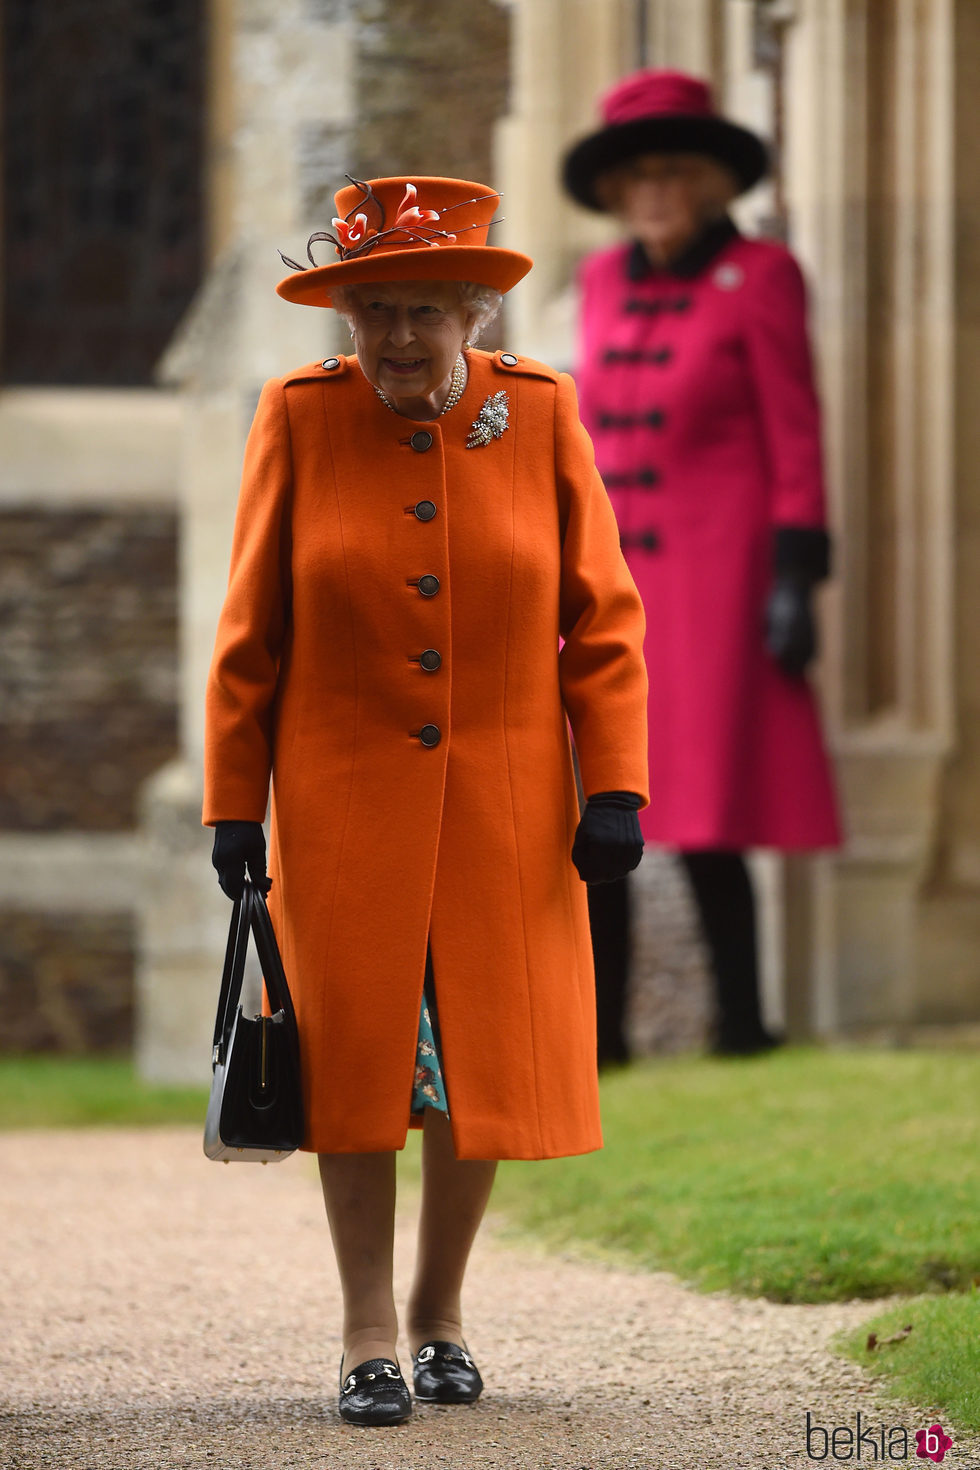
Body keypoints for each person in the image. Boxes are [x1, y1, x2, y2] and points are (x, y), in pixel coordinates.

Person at [203, 175, 649, 1426]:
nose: (396, 338)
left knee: (479, 1064)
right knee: (356, 1064)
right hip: (341, 797)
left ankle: (440, 1313)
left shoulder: (544, 416)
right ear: (345, 315)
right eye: (371, 311)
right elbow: (249, 635)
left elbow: (603, 624)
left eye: (421, 312)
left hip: (508, 799)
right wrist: (234, 805)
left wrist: (612, 784)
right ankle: (363, 1335)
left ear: (472, 311)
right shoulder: (295, 418)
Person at [561, 71, 841, 1061]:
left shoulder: (760, 276)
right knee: (596, 801)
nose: (654, 193)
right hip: (610, 582)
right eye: (636, 175)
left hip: (720, 577)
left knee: (709, 810)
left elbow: (794, 432)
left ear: (712, 180)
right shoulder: (597, 282)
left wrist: (793, 575)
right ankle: (597, 1037)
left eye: (674, 172)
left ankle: (740, 1025)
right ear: (613, 190)